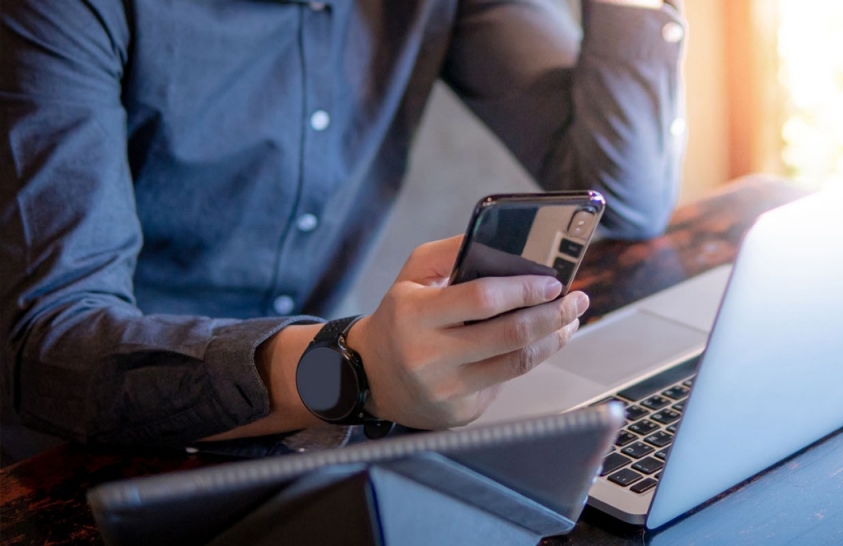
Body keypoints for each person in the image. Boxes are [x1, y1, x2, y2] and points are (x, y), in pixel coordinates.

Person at [0, 0, 687, 463]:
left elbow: (620, 194)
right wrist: (352, 367)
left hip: (300, 441)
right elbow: (50, 348)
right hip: (67, 462)